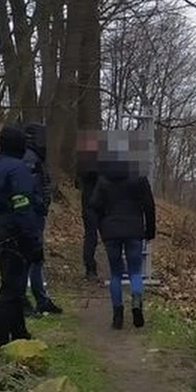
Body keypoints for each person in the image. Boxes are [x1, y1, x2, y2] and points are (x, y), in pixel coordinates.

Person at [0, 124, 43, 347]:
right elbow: (23, 205)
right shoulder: (18, 169)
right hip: (14, 231)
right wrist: (33, 240)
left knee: (14, 285)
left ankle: (19, 333)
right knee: (11, 288)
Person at [88, 136, 156, 329]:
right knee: (135, 271)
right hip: (134, 230)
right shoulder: (139, 177)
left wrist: (101, 228)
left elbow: (93, 207)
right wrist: (149, 231)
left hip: (111, 232)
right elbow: (149, 206)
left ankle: (117, 316)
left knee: (115, 273)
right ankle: (136, 303)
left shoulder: (103, 180)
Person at [23, 122, 63, 316]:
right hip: (31, 216)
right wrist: (40, 204)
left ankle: (41, 299)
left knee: (36, 258)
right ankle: (30, 300)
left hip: (35, 215)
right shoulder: (30, 158)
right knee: (31, 258)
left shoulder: (35, 158)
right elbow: (29, 188)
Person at [76, 130, 101, 280]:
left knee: (90, 236)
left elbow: (78, 181)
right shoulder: (100, 162)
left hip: (88, 203)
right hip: (99, 204)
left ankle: (90, 268)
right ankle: (93, 268)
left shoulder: (82, 162)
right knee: (97, 236)